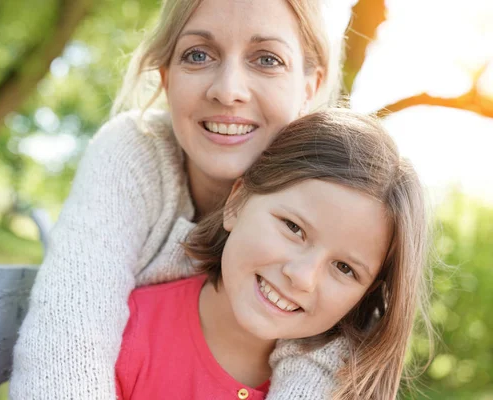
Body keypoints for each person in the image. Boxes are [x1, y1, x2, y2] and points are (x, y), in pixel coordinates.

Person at [10, 0, 353, 398]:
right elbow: (68, 335)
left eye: (267, 59)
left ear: (309, 87)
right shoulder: (135, 152)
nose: (228, 91)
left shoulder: (338, 201)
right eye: (198, 54)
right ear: (167, 75)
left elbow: (324, 351)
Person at [114, 109, 432, 400]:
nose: (302, 276)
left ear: (365, 294)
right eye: (293, 228)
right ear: (237, 202)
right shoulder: (123, 334)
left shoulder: (344, 390)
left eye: (345, 268)